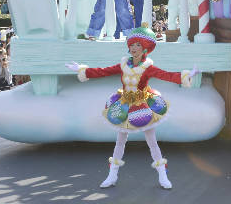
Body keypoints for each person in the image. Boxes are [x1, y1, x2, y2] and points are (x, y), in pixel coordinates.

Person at [65, 25, 199, 189]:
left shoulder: (148, 68)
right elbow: (103, 71)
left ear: (145, 49)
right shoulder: (123, 65)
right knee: (120, 141)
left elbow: (165, 75)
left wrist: (184, 76)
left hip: (143, 104)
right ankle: (112, 175)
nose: (134, 48)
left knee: (152, 141)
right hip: (125, 104)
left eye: (138, 45)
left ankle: (163, 176)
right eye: (132, 44)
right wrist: (82, 70)